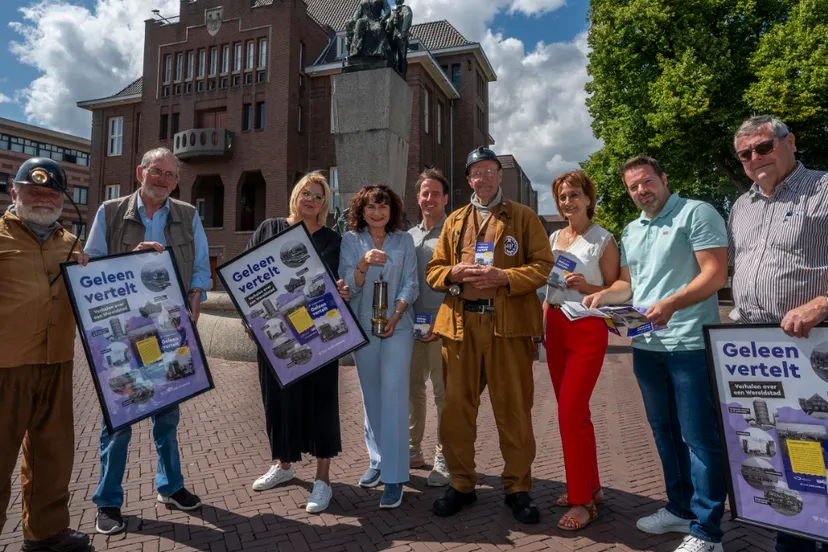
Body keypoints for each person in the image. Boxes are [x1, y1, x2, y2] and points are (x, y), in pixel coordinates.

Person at [584, 155, 729, 552]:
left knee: (699, 437)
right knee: (664, 433)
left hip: (689, 344)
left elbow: (715, 274)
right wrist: (602, 296)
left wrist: (672, 304)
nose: (641, 191)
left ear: (664, 178)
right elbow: (629, 286)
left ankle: (708, 531)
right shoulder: (632, 229)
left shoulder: (696, 213)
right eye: (633, 187)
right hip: (646, 345)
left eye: (647, 182)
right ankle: (680, 508)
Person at [81, 147, 212, 535]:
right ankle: (108, 500)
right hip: (121, 332)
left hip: (169, 330)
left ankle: (169, 487)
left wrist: (196, 294)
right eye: (157, 171)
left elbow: (201, 265)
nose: (163, 180)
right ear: (141, 172)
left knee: (167, 412)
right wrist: (129, 259)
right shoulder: (109, 212)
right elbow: (89, 267)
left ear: (176, 181)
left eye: (170, 175)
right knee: (119, 418)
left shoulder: (188, 215)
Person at [426, 147, 553, 524]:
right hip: (461, 327)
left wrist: (505, 277)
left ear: (500, 175)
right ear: (469, 180)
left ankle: (518, 487)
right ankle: (462, 483)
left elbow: (543, 266)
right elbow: (434, 270)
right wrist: (452, 274)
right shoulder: (454, 221)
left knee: (513, 409)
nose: (483, 178)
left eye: (489, 171)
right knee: (456, 411)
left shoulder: (524, 217)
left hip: (507, 327)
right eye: (476, 173)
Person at [728, 115, 828, 552]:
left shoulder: (823, 190)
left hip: (813, 350)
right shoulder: (741, 206)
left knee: (815, 453)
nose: (755, 158)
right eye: (745, 154)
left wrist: (822, 303)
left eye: (764, 147)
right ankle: (793, 538)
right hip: (757, 354)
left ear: (790, 142)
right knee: (779, 453)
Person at [246, 172, 351, 514]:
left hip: (317, 336)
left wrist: (343, 291)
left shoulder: (333, 241)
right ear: (296, 194)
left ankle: (323, 479)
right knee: (278, 401)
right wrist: (249, 319)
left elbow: (339, 285)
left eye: (319, 196)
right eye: (306, 193)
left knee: (322, 402)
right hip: (276, 334)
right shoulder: (269, 229)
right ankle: (283, 464)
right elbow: (246, 277)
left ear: (325, 204)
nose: (311, 200)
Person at [0, 158, 90, 552]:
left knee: (53, 455)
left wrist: (140, 260)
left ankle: (45, 533)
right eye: (33, 191)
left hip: (57, 363)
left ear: (63, 200)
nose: (42, 199)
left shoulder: (71, 243)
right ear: (14, 192)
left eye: (51, 193)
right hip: (6, 365)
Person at [544, 170, 619, 530]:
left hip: (587, 327)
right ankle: (592, 486)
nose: (568, 202)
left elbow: (618, 288)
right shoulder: (554, 238)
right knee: (577, 413)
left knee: (569, 414)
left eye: (574, 195)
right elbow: (548, 288)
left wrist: (587, 285)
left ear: (589, 198)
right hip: (555, 325)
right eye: (562, 196)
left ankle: (582, 502)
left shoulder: (603, 239)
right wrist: (540, 327)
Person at [339, 185, 418, 509]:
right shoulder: (350, 240)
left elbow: (411, 281)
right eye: (371, 207)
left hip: (398, 325)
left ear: (392, 210)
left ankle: (395, 476)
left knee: (394, 394)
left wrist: (396, 314)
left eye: (383, 206)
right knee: (371, 395)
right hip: (364, 325)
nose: (377, 212)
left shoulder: (404, 240)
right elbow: (348, 286)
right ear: (361, 211)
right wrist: (362, 264)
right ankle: (378, 460)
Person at [407, 168, 450, 486]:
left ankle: (444, 455)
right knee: (413, 391)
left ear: (445, 198)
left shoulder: (455, 232)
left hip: (444, 327)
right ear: (417, 198)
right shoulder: (408, 236)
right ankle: (413, 450)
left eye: (436, 193)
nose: (430, 198)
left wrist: (442, 319)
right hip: (411, 326)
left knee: (443, 394)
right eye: (425, 193)